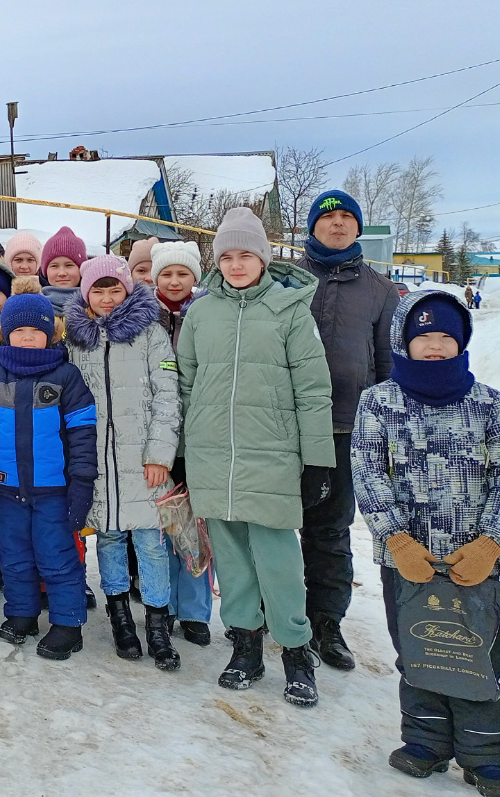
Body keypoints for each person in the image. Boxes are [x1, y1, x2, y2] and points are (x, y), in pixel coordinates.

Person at [352, 290, 500, 794]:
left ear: (462, 342)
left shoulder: (489, 403)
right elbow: (367, 471)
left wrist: (491, 542)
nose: (434, 345)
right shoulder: (378, 402)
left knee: (477, 655)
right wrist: (397, 540)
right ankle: (425, 743)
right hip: (408, 561)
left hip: (475, 563)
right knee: (417, 648)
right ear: (404, 342)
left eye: (445, 337)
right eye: (423, 336)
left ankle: (485, 756)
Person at [177, 206, 334, 707]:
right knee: (232, 559)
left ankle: (296, 652)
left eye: (246, 255)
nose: (236, 265)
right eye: (227, 257)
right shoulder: (200, 314)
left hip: (272, 455)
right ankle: (245, 648)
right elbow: (185, 387)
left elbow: (314, 391)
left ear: (263, 259)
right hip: (212, 455)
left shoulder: (290, 311)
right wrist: (181, 453)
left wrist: (317, 460)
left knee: (277, 560)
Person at [295, 189, 399, 671]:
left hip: (344, 427)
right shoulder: (287, 279)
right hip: (285, 426)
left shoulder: (381, 290)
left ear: (357, 228)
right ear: (312, 227)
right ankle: (271, 610)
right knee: (273, 524)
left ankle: (326, 623)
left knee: (330, 530)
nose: (337, 224)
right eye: (327, 217)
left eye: (345, 217)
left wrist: (381, 428)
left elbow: (388, 364)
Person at [0, 293, 98, 660]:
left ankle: (68, 623)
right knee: (14, 556)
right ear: (5, 333)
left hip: (53, 490)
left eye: (35, 331)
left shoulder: (66, 376)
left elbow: (83, 433)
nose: (26, 337)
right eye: (18, 330)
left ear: (50, 334)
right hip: (5, 489)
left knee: (57, 555)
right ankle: (21, 614)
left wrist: (81, 484)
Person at [64, 255, 182, 671]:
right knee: (110, 538)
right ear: (86, 294)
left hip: (142, 461)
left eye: (115, 289)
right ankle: (120, 619)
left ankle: (158, 625)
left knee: (150, 543)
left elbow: (168, 395)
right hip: (96, 461)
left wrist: (159, 455)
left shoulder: (150, 334)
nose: (108, 298)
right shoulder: (76, 340)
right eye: (98, 290)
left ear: (128, 290)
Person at [147, 238, 215, 645]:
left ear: (195, 276)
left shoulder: (207, 312)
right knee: (166, 522)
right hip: (158, 436)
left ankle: (194, 610)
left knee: (198, 524)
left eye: (183, 273)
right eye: (167, 274)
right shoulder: (143, 316)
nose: (174, 281)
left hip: (198, 433)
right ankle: (166, 604)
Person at [39, 226, 88, 312]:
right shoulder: (33, 307)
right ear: (45, 271)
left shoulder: (98, 307)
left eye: (69, 265)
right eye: (54, 266)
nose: (62, 273)